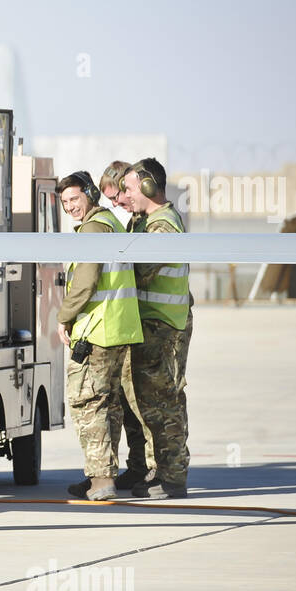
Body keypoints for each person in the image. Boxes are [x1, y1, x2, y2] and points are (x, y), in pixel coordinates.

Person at [56, 171, 143, 501]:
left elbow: (86, 281)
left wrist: (63, 318)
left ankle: (101, 480)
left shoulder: (93, 229)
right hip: (119, 329)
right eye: (65, 203)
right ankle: (104, 475)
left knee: (89, 404)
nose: (70, 207)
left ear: (90, 195)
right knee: (109, 406)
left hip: (98, 331)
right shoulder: (110, 222)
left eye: (75, 199)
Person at [117, 158, 192, 498]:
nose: (126, 195)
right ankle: (159, 470)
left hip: (163, 325)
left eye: (130, 188)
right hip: (152, 323)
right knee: (152, 403)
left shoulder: (163, 227)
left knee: (165, 402)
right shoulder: (146, 222)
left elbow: (140, 270)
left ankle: (173, 476)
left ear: (149, 186)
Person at [99, 160, 154, 493]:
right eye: (110, 199)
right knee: (124, 404)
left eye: (117, 196)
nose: (116, 203)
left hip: (141, 324)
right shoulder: (128, 221)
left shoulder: (143, 223)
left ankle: (147, 467)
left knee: (139, 404)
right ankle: (135, 467)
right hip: (126, 325)